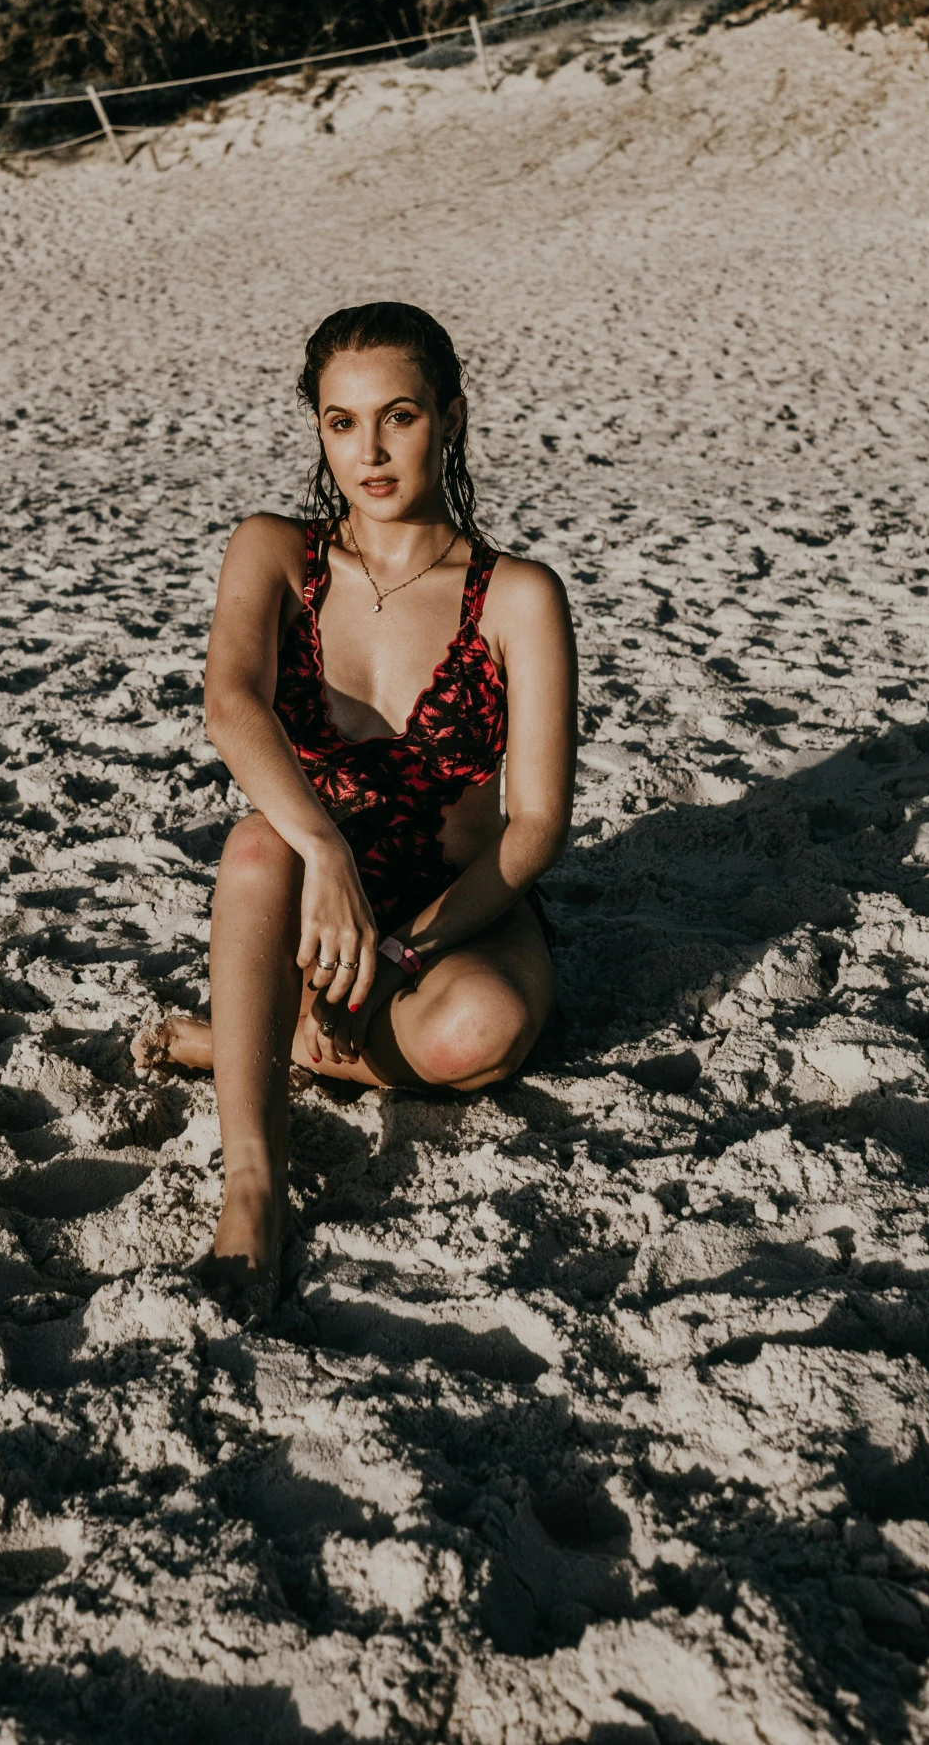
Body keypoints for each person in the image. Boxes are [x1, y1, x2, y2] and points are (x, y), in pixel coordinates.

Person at [134, 301, 577, 1304]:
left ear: (451, 417)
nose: (369, 450)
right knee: (256, 846)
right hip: (307, 883)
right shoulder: (273, 551)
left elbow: (538, 827)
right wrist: (325, 854)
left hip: (452, 906)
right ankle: (253, 1185)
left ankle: (245, 1038)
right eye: (342, 422)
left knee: (486, 1031)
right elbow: (229, 704)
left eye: (399, 416)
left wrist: (400, 953)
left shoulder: (516, 595)